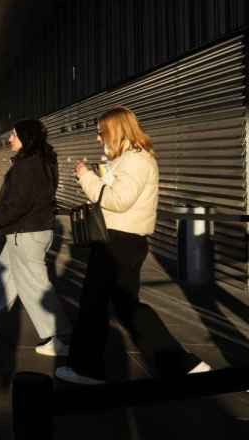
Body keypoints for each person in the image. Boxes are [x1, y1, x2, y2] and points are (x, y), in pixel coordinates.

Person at [56, 107, 211, 384]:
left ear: (115, 130)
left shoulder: (135, 160)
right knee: (127, 307)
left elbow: (118, 200)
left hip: (117, 242)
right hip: (123, 241)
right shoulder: (132, 159)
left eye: (100, 132)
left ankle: (86, 369)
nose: (97, 138)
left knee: (94, 306)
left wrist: (86, 177)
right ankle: (183, 364)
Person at [0, 120, 71, 356]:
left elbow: (19, 202)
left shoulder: (28, 165)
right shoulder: (41, 162)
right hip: (28, 231)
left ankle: (58, 337)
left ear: (26, 137)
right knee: (4, 279)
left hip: (25, 233)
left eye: (14, 135)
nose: (9, 139)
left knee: (34, 286)